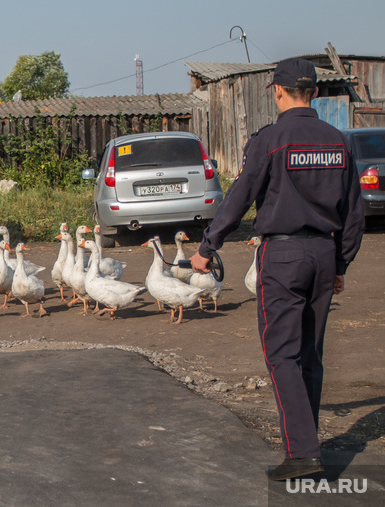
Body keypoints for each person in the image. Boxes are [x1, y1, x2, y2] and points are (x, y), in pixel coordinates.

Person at [189, 58, 365, 481]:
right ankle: (309, 441)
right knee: (310, 356)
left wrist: (207, 247)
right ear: (316, 94)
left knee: (281, 355)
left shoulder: (270, 139)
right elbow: (354, 213)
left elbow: (238, 198)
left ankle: (303, 453)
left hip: (283, 256)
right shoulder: (337, 140)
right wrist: (339, 262)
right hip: (324, 254)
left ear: (277, 91)